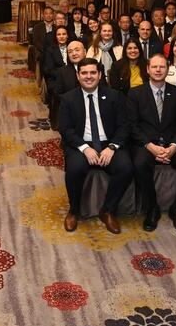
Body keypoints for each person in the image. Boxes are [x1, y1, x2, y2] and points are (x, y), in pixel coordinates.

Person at [128, 53, 176, 233]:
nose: (158, 70)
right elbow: (132, 126)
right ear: (147, 69)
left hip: (172, 144)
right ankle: (152, 208)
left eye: (162, 67)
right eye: (154, 67)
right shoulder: (135, 93)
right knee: (140, 164)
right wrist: (150, 146)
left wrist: (174, 146)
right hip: (147, 144)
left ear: (168, 69)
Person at [59, 58, 133, 233]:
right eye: (84, 73)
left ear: (100, 75)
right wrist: (85, 148)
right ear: (78, 76)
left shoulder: (114, 96)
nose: (89, 76)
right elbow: (66, 129)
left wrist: (112, 147)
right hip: (81, 143)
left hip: (109, 142)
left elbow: (124, 126)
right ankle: (74, 210)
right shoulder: (68, 98)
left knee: (126, 168)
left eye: (93, 72)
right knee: (74, 169)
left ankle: (108, 211)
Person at [42, 26, 70, 99]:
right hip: (56, 79)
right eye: (59, 34)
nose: (61, 36)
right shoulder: (50, 50)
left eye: (64, 34)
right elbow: (49, 70)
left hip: (72, 79)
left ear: (67, 36)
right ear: (56, 37)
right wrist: (64, 75)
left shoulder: (72, 48)